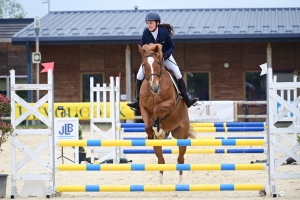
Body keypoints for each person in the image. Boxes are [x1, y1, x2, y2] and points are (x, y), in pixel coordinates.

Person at [127, 11, 198, 110]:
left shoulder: (164, 32)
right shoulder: (145, 33)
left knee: (177, 73)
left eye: (151, 23)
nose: (149, 25)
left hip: (165, 58)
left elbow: (172, 46)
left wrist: (166, 55)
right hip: (152, 60)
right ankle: (137, 100)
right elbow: (143, 49)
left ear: (157, 23)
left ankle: (187, 98)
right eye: (147, 23)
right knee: (139, 75)